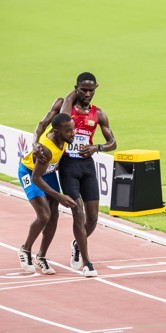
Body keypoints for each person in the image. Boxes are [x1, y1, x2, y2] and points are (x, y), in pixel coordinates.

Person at [33, 72, 117, 277]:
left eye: (91, 90)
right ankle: (88, 263)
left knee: (93, 218)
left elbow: (113, 143)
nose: (88, 94)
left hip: (87, 166)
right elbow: (44, 122)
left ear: (96, 89)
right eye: (83, 89)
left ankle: (78, 244)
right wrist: (35, 142)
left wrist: (96, 147)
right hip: (68, 166)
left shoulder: (99, 114)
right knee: (77, 212)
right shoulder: (66, 108)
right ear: (76, 89)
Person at [18, 112, 77, 274]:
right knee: (44, 214)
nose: (73, 134)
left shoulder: (63, 134)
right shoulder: (45, 150)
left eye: (73, 129)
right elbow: (36, 179)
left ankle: (41, 257)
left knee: (54, 215)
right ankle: (25, 249)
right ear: (57, 132)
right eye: (68, 131)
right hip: (30, 173)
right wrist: (60, 196)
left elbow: (43, 122)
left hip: (48, 172)